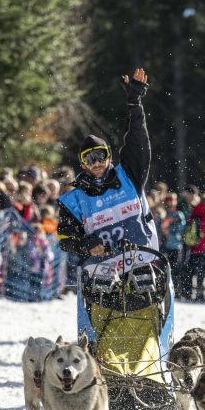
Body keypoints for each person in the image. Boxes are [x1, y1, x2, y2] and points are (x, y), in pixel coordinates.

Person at [57, 69, 156, 275]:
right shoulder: (72, 200)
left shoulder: (129, 175)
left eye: (100, 156)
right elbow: (65, 239)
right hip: (101, 272)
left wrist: (134, 103)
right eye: (89, 159)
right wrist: (85, 244)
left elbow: (137, 141)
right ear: (82, 165)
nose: (96, 163)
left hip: (142, 262)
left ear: (110, 156)